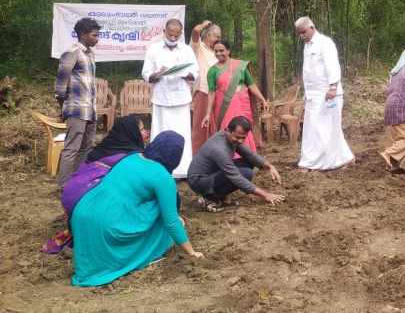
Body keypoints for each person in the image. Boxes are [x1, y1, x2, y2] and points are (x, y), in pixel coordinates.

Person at [70, 131, 203, 287]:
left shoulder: (131, 157)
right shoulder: (162, 177)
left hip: (81, 213)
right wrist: (191, 252)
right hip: (106, 224)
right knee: (160, 208)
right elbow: (171, 221)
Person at [43, 115, 150, 254]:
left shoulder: (105, 147)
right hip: (84, 202)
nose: (145, 133)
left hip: (70, 197)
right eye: (141, 129)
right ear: (132, 133)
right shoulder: (130, 157)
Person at [294, 16, 355, 171]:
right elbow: (309, 71)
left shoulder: (325, 43)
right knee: (313, 128)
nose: (302, 36)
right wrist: (306, 93)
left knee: (326, 128)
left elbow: (332, 65)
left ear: (312, 27)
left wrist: (333, 87)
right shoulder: (307, 46)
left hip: (328, 93)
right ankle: (342, 158)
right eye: (299, 33)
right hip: (313, 95)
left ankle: (319, 161)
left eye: (303, 32)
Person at [141, 19, 199, 178]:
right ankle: (159, 169)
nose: (173, 38)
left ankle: (183, 170)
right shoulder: (153, 49)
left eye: (176, 35)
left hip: (181, 98)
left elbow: (195, 72)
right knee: (161, 133)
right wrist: (155, 75)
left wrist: (183, 73)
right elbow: (146, 74)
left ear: (181, 34)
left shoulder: (187, 50)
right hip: (161, 98)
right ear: (164, 32)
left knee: (182, 134)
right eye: (170, 34)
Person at [188, 116, 284, 212]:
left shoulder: (229, 138)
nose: (240, 141)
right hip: (199, 181)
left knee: (248, 162)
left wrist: (269, 166)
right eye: (237, 137)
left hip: (212, 173)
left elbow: (249, 154)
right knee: (246, 173)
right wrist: (265, 195)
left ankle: (218, 195)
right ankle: (210, 197)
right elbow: (235, 177)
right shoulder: (219, 149)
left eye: (243, 138)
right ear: (228, 130)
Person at [54, 17, 101, 186]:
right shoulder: (71, 52)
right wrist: (63, 109)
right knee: (72, 148)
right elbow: (60, 84)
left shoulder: (90, 54)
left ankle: (77, 182)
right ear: (83, 34)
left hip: (90, 109)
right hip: (76, 109)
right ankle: (64, 185)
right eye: (94, 35)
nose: (97, 39)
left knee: (86, 147)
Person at [201, 40, 268, 153]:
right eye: (216, 51)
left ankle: (246, 157)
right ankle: (226, 157)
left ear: (228, 51)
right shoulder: (212, 71)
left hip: (241, 103)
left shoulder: (240, 66)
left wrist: (263, 99)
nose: (218, 54)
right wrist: (207, 114)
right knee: (227, 128)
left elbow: (251, 85)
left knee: (243, 127)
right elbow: (211, 92)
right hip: (223, 106)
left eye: (221, 50)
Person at [190, 20, 221, 154]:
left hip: (217, 93)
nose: (218, 39)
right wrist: (203, 25)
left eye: (219, 37)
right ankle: (197, 156)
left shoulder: (217, 52)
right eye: (216, 36)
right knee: (201, 128)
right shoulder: (198, 47)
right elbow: (196, 32)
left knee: (216, 128)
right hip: (203, 91)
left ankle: (215, 156)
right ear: (207, 35)